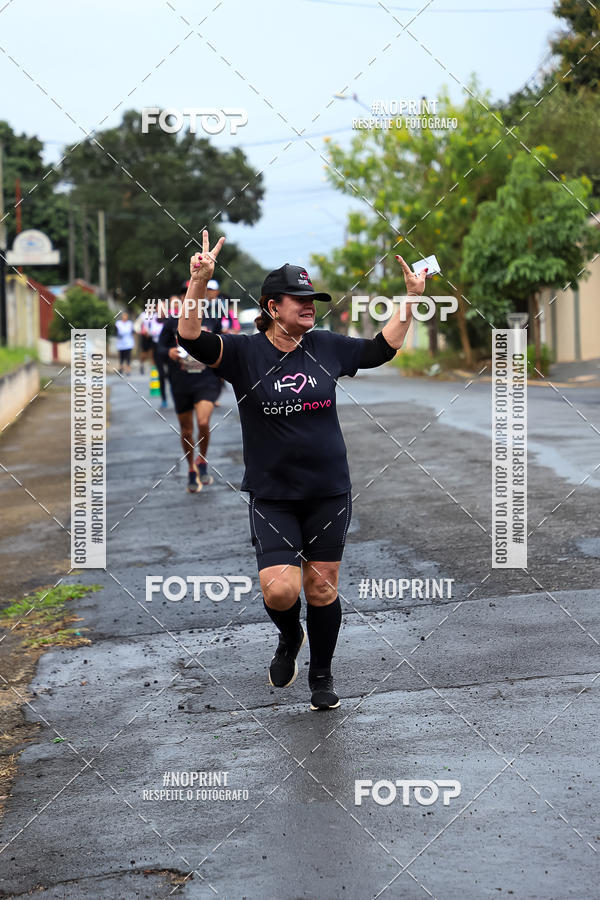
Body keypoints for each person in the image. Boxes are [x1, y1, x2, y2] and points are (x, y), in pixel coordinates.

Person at [178, 230, 426, 711]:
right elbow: (190, 337)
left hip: (329, 490)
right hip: (273, 494)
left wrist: (411, 299)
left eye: (313, 299)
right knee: (280, 588)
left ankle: (321, 675)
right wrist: (199, 285)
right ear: (273, 307)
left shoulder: (326, 346)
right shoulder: (246, 354)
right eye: (300, 300)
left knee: (321, 583)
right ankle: (290, 637)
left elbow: (381, 349)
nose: (310, 306)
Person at [158, 288, 223, 493]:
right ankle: (192, 469)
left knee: (203, 422)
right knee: (186, 430)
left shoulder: (212, 319)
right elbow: (158, 347)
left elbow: (224, 344)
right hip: (181, 381)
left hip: (206, 379)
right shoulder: (172, 322)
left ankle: (202, 459)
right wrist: (168, 351)